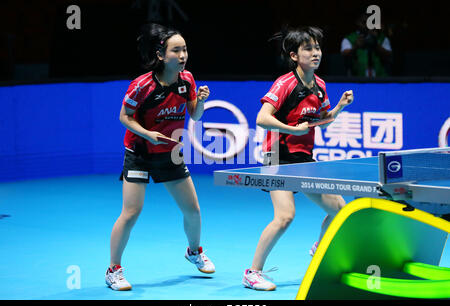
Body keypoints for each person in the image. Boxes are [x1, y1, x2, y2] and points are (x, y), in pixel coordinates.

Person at [242, 26, 354, 291]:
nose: (315, 53)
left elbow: (322, 123)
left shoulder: (320, 86)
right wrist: (293, 129)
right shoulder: (285, 83)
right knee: (285, 217)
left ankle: (319, 246)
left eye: (317, 48)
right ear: (294, 55)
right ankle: (252, 272)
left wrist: (338, 107)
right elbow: (262, 118)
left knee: (339, 209)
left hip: (303, 158)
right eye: (308, 49)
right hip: (278, 158)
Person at [105, 23, 215, 291]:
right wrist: (148, 134)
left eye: (185, 49)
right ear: (160, 55)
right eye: (176, 50)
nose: (183, 55)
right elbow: (124, 117)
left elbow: (195, 114)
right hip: (140, 153)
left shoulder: (187, 80)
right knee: (131, 213)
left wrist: (199, 101)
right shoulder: (142, 85)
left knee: (193, 210)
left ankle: (193, 251)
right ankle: (113, 270)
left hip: (171, 153)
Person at [341, 13, 392, 77]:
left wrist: (376, 44)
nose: (367, 25)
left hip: (380, 79)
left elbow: (389, 55)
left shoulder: (381, 37)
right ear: (358, 22)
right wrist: (355, 47)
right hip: (358, 79)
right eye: (364, 22)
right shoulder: (350, 38)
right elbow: (344, 55)